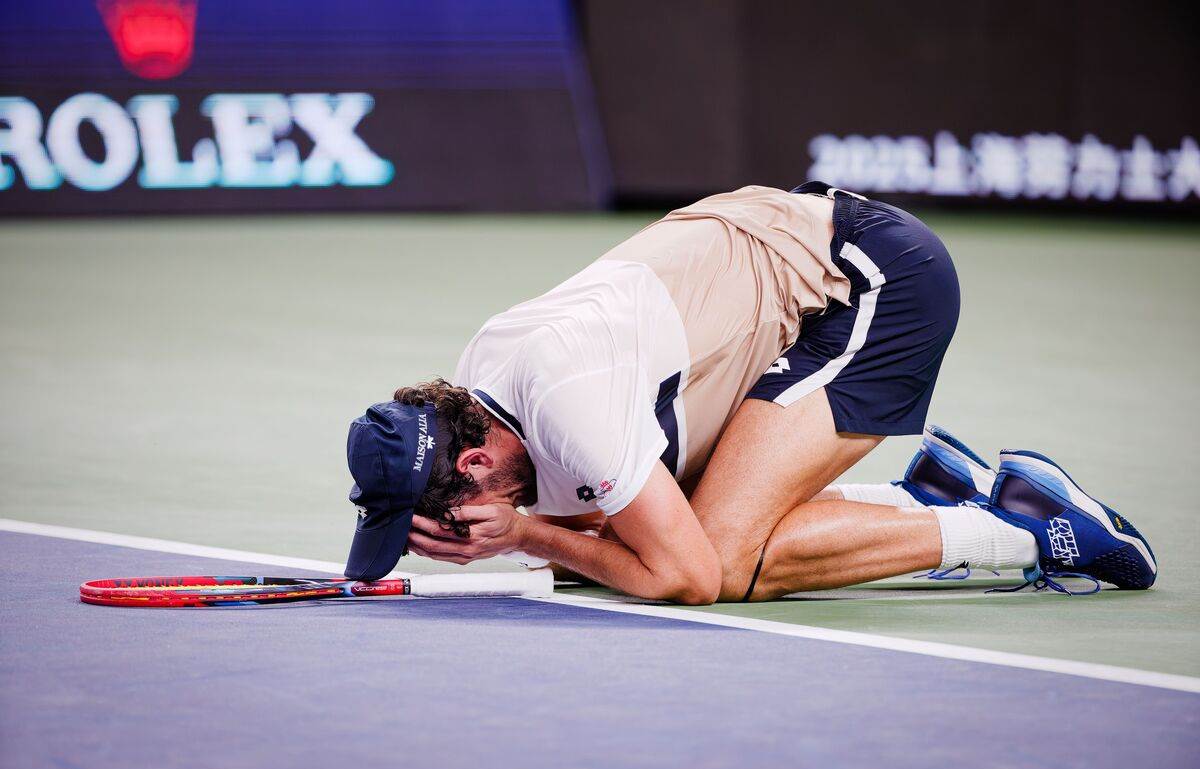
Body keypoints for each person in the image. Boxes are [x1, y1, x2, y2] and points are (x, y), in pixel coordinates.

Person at [342, 183, 1157, 604]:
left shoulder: (569, 403)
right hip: (758, 270)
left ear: (480, 458)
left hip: (864, 282)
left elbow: (690, 577)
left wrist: (527, 534)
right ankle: (927, 492)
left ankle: (1030, 528)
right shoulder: (486, 385)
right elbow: (606, 525)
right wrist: (541, 531)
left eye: (442, 509)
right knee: (627, 539)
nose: (441, 528)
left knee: (725, 559)